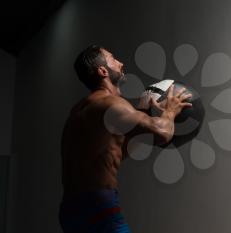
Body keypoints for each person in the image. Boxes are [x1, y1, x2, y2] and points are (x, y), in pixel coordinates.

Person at [58, 44, 192, 233]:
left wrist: (143, 108)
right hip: (99, 206)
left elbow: (116, 153)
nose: (120, 63)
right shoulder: (112, 104)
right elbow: (163, 133)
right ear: (103, 70)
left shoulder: (80, 111)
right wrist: (170, 111)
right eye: (113, 59)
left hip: (70, 211)